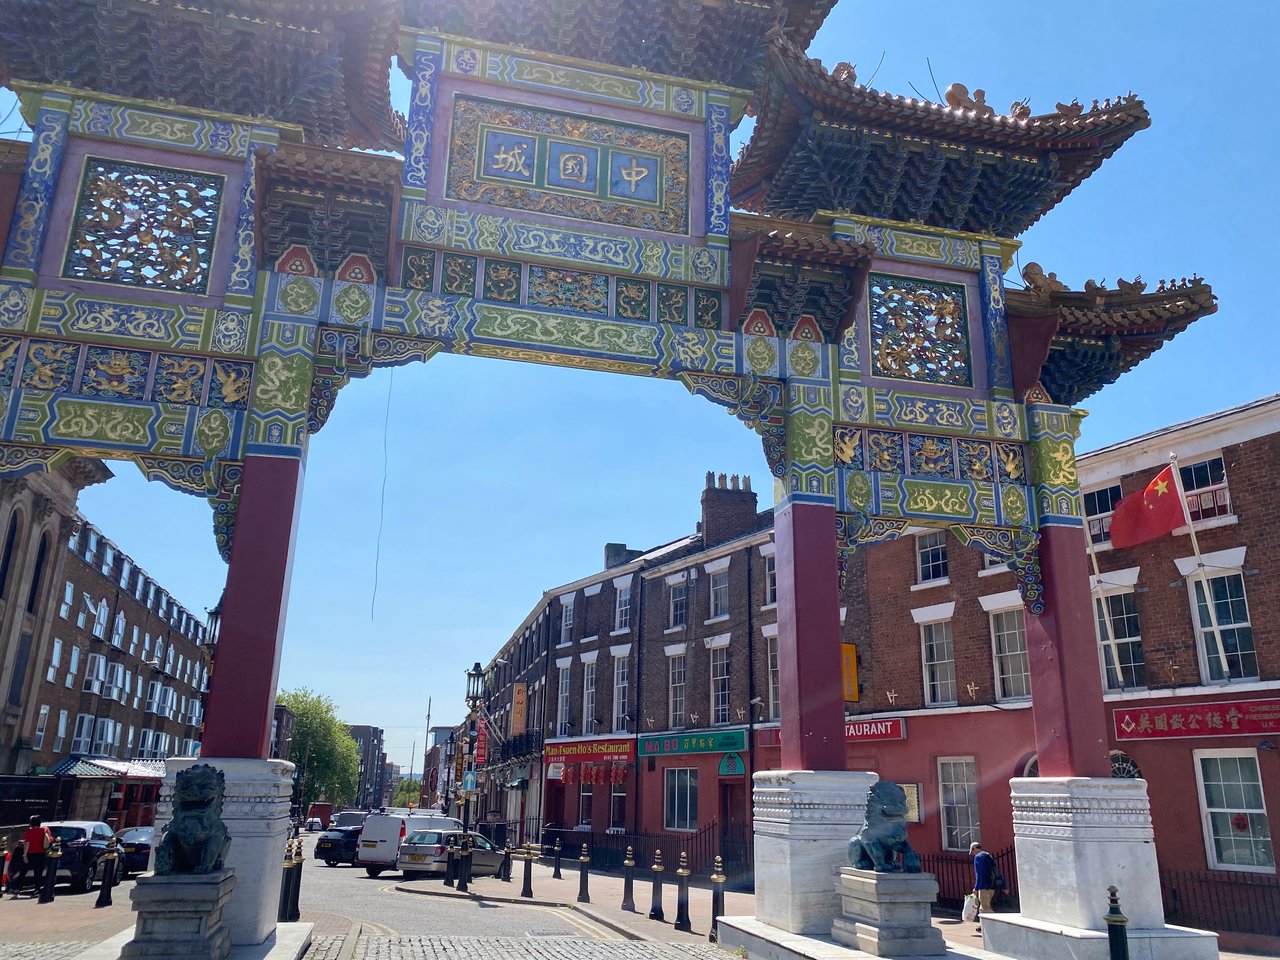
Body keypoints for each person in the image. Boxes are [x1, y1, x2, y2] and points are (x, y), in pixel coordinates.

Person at [11, 816, 53, 897]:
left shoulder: (29, 832)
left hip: (30, 854)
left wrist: (25, 855)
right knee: (38, 873)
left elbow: (27, 844)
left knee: (23, 872)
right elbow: (50, 840)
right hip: (41, 854)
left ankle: (17, 888)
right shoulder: (44, 830)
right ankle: (37, 890)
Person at [970, 841, 996, 923]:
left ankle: (994, 922)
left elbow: (979, 874)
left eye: (972, 851)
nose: (973, 853)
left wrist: (976, 888)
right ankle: (983, 925)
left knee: (985, 907)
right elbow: (995, 870)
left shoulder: (978, 857)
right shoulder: (988, 855)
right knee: (983, 906)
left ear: (974, 849)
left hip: (983, 886)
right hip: (992, 885)